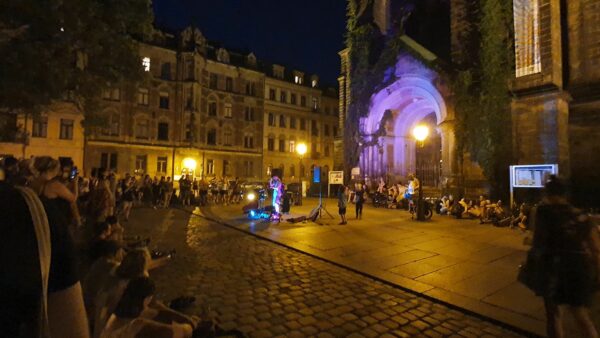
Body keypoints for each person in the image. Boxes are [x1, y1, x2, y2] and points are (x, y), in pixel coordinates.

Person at [0, 160, 89, 337]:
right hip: (45, 230)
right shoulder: (41, 197)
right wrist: (75, 182)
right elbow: (72, 198)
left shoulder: (33, 185)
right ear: (53, 169)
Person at [525, 176, 600, 338]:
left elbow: (538, 243)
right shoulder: (581, 216)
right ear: (565, 194)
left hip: (553, 269)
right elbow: (596, 249)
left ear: (547, 192)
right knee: (582, 317)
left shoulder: (543, 213)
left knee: (553, 316)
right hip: (577, 270)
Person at [99, 277, 197, 338]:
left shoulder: (113, 315)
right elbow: (183, 332)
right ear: (146, 299)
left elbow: (153, 312)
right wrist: (191, 323)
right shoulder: (138, 325)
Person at [82, 240, 125, 328]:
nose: (123, 254)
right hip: (97, 309)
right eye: (121, 251)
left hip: (86, 304)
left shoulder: (98, 262)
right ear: (116, 252)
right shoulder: (115, 267)